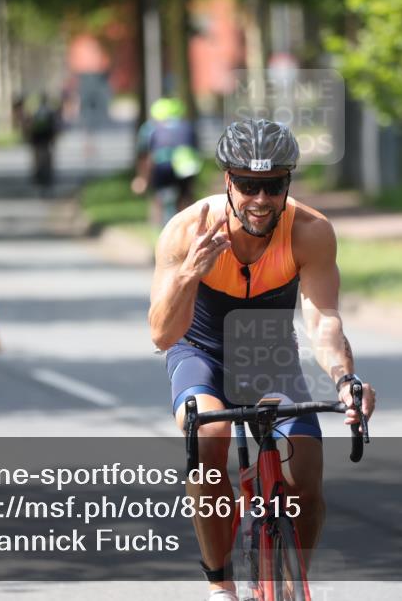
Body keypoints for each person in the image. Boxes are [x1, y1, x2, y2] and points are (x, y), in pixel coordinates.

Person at [148, 119, 376, 600]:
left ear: (287, 184)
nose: (259, 198)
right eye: (247, 185)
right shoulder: (185, 229)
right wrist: (190, 274)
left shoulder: (310, 232)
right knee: (208, 437)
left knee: (308, 478)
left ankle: (291, 583)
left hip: (266, 353)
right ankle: (221, 585)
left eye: (271, 186)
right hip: (200, 349)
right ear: (227, 181)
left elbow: (323, 321)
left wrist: (344, 379)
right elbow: (162, 334)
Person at [133, 97, 203, 226]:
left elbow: (144, 155)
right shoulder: (187, 126)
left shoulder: (150, 127)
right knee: (186, 200)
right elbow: (196, 150)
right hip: (186, 167)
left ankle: (160, 232)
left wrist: (142, 178)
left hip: (162, 167)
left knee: (159, 199)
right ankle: (190, 228)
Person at [28, 93, 59, 193]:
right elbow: (54, 126)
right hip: (47, 139)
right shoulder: (50, 112)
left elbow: (31, 126)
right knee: (47, 157)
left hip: (37, 139)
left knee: (37, 158)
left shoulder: (36, 112)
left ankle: (38, 175)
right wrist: (54, 138)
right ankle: (47, 175)